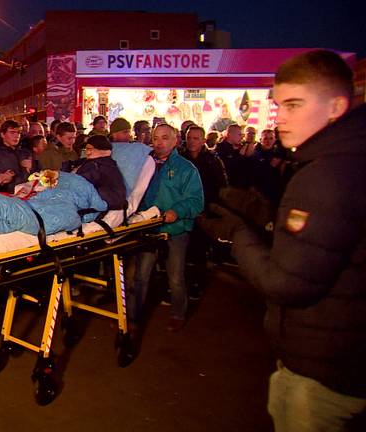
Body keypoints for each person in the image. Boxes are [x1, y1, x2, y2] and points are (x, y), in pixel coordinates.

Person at [199, 49, 366, 432]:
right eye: (277, 106)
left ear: (337, 106)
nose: (280, 118)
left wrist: (238, 235)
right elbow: (327, 239)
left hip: (323, 370)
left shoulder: (327, 174)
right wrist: (264, 216)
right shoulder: (342, 161)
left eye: (294, 104)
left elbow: (286, 282)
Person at [127, 123, 204, 332]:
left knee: (176, 276)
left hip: (175, 229)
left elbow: (196, 200)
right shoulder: (145, 165)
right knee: (140, 276)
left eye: (164, 138)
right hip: (148, 228)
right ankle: (133, 318)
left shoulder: (186, 169)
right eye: (155, 138)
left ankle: (178, 313)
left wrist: (176, 211)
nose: (159, 142)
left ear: (175, 140)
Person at [182, 125, 227, 299]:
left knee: (199, 250)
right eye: (189, 138)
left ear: (203, 140)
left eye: (195, 138)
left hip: (203, 213)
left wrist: (209, 211)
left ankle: (196, 284)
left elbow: (220, 187)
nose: (192, 141)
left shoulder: (212, 160)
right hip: (183, 211)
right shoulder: (180, 158)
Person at [64, 134, 126, 210]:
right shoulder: (92, 161)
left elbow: (81, 182)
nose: (87, 152)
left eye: (90, 149)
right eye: (86, 149)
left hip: (107, 202)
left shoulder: (102, 166)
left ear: (102, 150)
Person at [0, 120, 27, 193]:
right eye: (12, 132)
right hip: (9, 195)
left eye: (18, 133)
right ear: (2, 135)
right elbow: (7, 180)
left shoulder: (22, 151)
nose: (16, 136)